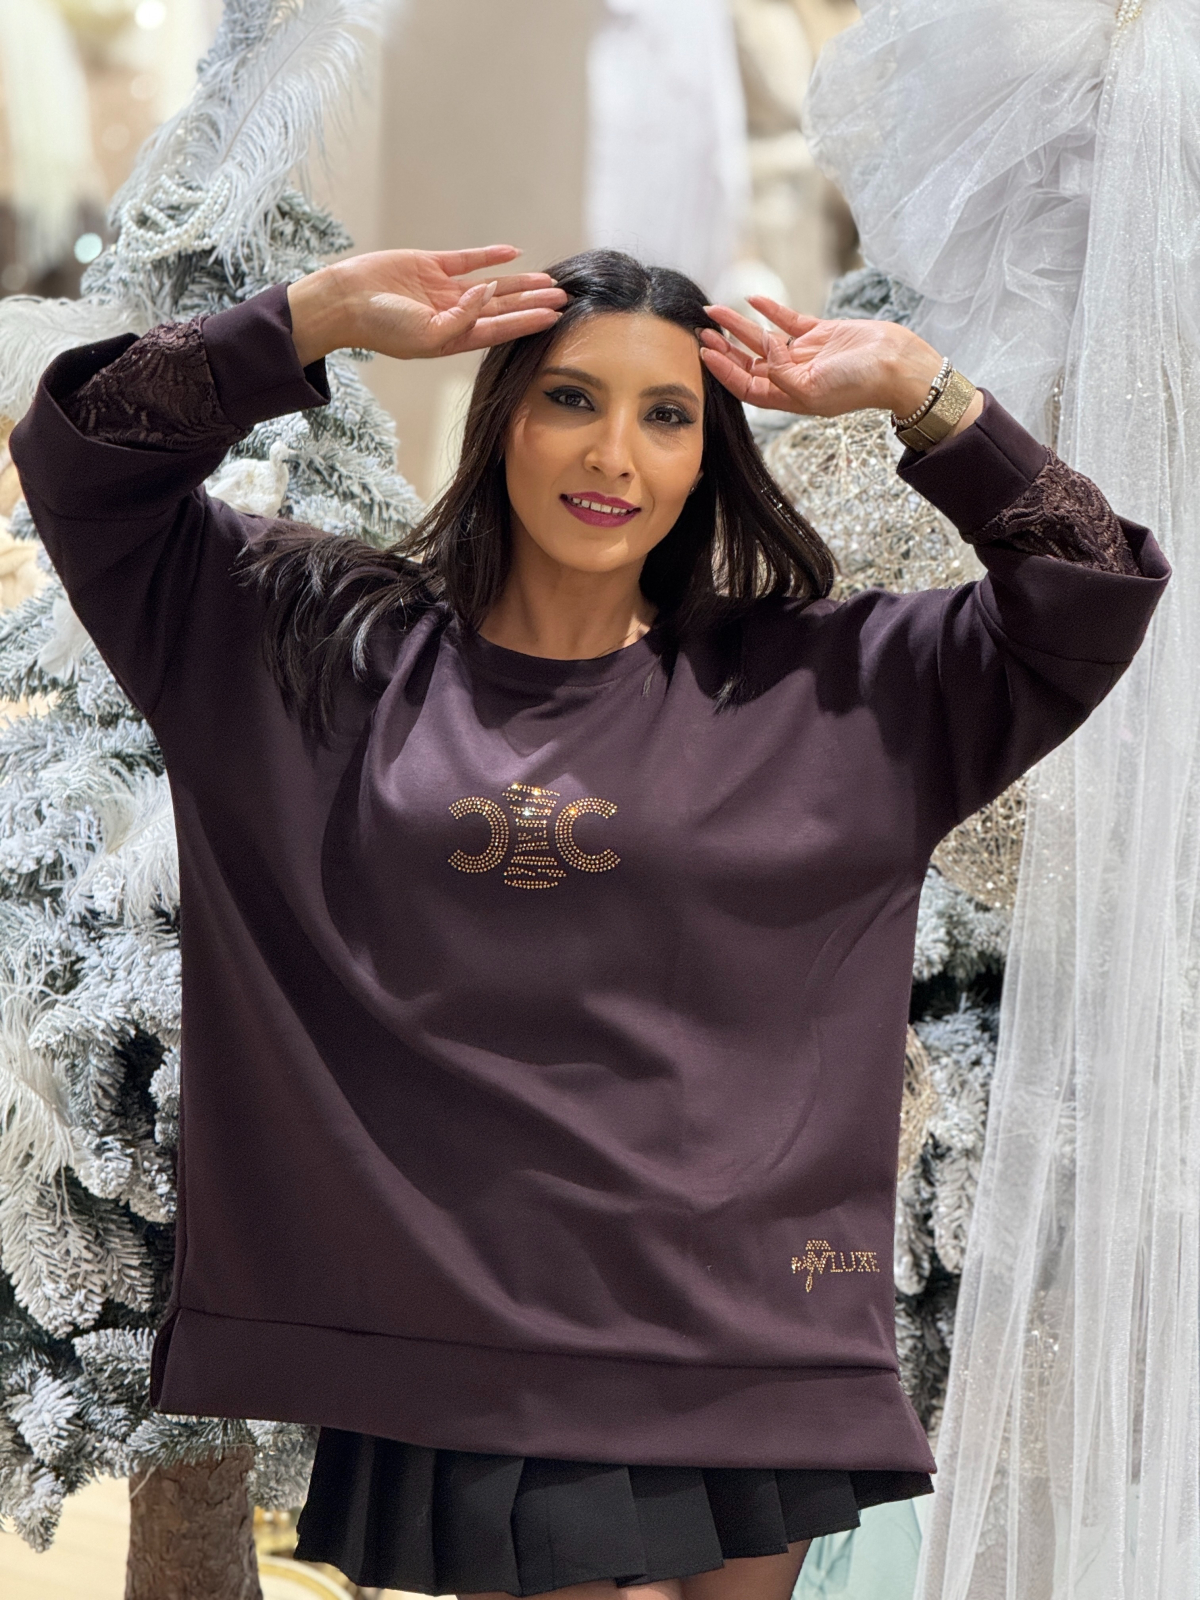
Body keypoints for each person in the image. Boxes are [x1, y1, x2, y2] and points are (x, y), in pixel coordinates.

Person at [10, 244, 1167, 1600]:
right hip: (477, 1333)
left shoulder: (823, 693)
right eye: (572, 399)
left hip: (745, 1329)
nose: (614, 453)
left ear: (704, 456)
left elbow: (1091, 588)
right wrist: (308, 319)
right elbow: (83, 458)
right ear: (505, 417)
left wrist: (924, 392)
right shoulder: (318, 652)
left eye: (666, 415)